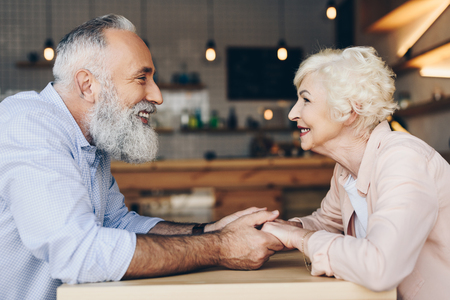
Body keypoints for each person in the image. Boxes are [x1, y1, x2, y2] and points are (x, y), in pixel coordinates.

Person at [0, 14, 283, 300]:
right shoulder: (29, 126)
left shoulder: (89, 141)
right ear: (87, 85)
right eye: (141, 78)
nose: (157, 95)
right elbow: (79, 253)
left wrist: (209, 231)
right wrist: (221, 247)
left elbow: (118, 224)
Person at [261, 46, 450, 300]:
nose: (293, 113)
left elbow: (380, 267)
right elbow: (324, 224)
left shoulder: (404, 159)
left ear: (350, 110)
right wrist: (273, 228)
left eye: (305, 100)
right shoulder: (346, 171)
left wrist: (299, 237)